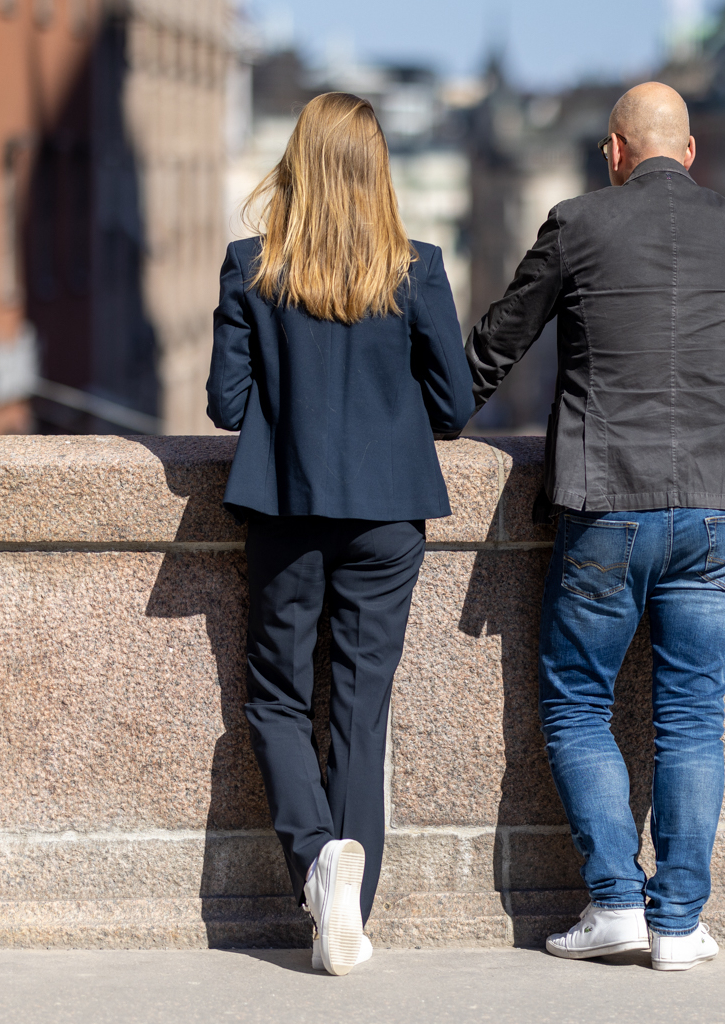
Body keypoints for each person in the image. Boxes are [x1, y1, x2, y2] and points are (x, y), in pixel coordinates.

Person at [464, 82, 725, 970]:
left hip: (607, 505)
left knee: (579, 701)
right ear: (690, 152)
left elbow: (498, 343)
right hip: (716, 508)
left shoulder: (578, 223)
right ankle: (678, 924)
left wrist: (420, 419)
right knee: (693, 718)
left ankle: (616, 904)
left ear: (615, 153)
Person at [206, 92, 475, 975]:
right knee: (361, 708)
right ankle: (346, 904)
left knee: (277, 699)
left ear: (296, 166)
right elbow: (455, 406)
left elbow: (225, 404)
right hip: (389, 512)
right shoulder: (418, 267)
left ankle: (320, 860)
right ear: (378, 171)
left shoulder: (252, 267)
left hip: (287, 508)